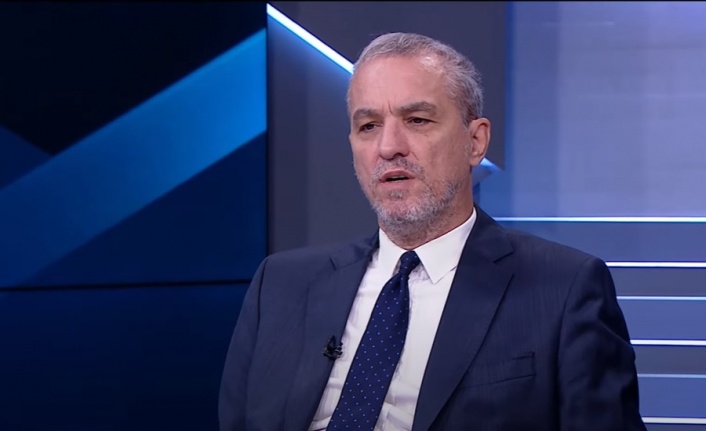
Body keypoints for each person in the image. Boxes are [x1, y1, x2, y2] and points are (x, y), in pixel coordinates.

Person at [218, 32, 647, 431]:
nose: (388, 147)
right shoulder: (280, 284)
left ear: (475, 142)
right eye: (368, 126)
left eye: (418, 120)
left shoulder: (563, 289)